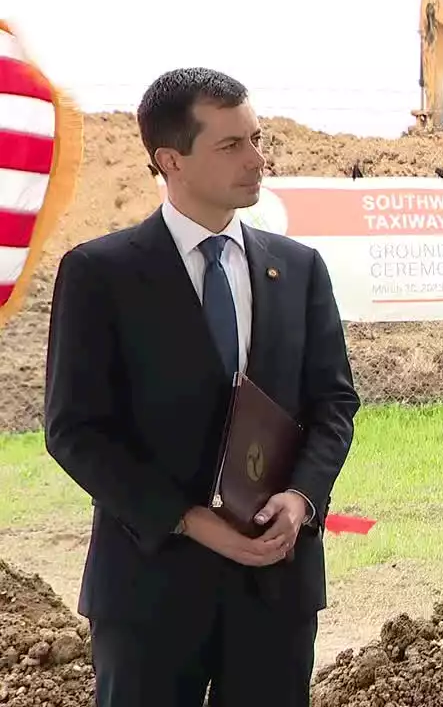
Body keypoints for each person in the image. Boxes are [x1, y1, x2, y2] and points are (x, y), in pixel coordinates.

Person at [43, 67, 360, 707]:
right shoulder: (100, 275)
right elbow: (74, 430)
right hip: (150, 591)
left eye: (257, 138)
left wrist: (302, 497)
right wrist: (187, 521)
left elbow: (334, 403)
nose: (257, 160)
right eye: (231, 145)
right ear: (171, 160)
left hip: (276, 592)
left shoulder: (297, 269)